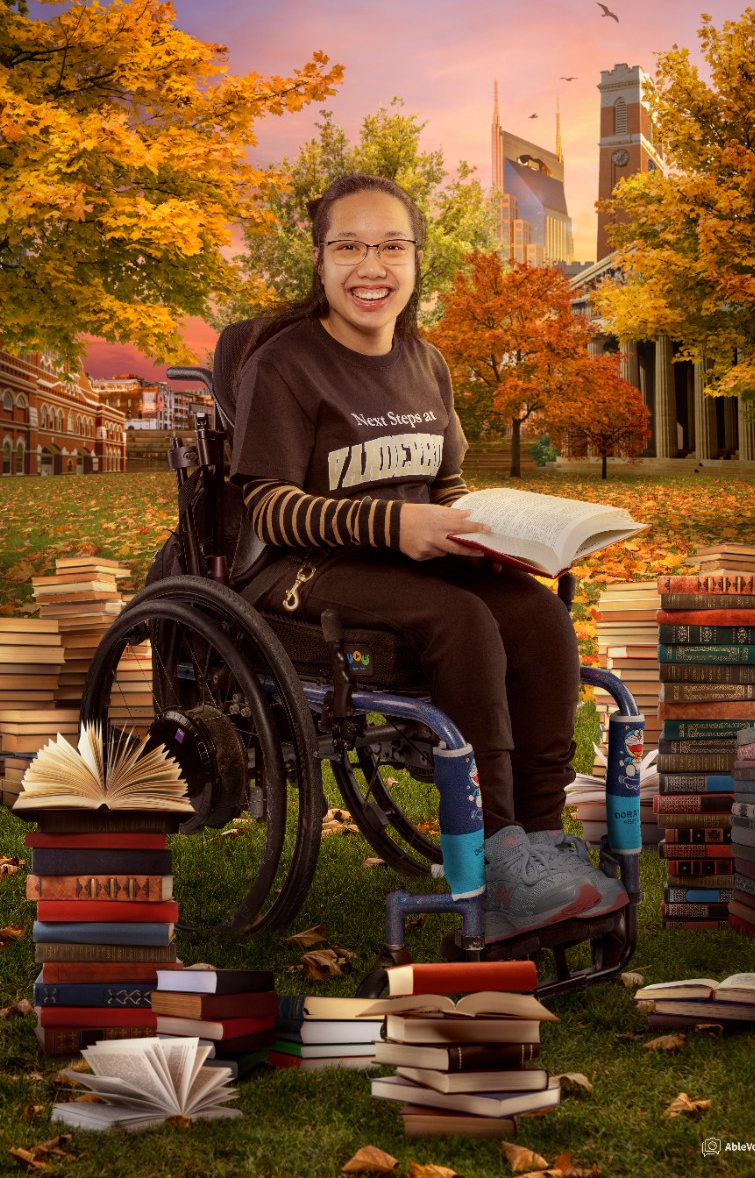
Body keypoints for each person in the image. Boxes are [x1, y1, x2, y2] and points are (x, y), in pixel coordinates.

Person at [229, 173, 627, 942]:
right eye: (347, 246)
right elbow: (266, 508)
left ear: (415, 262)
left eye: (389, 247)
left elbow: (443, 482)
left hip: (411, 557)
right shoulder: (281, 366)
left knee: (538, 613)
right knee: (459, 618)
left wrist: (489, 532)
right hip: (300, 570)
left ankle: (542, 840)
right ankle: (497, 850)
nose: (368, 266)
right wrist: (394, 525)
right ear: (319, 260)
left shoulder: (425, 361)